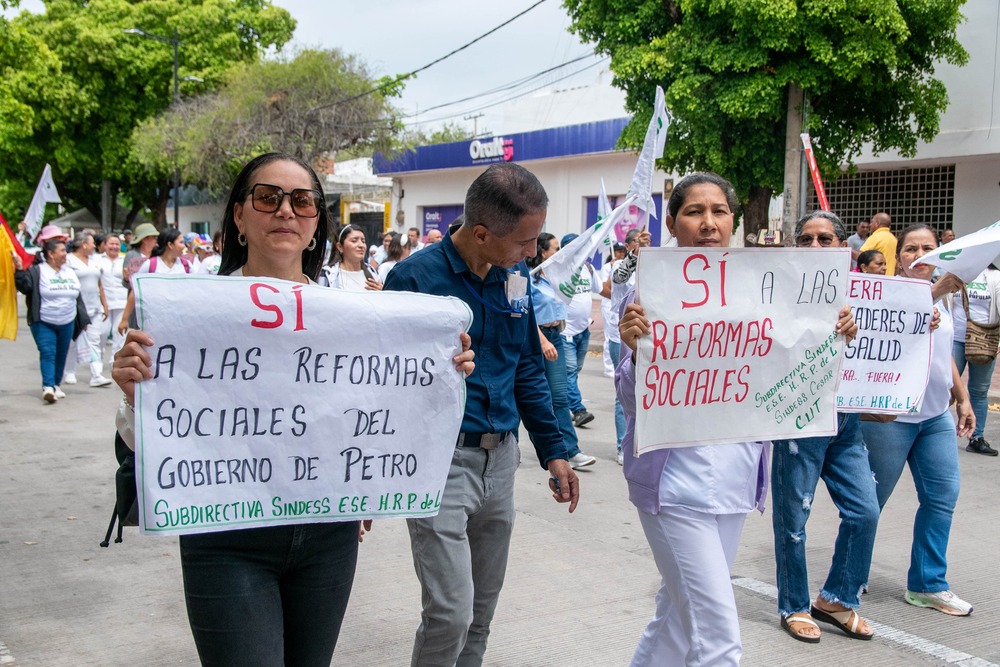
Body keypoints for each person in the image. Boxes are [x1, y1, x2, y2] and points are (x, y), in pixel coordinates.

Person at [112, 151, 475, 665]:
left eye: (302, 201)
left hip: (328, 538)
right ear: (239, 216)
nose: (286, 211)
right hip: (225, 538)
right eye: (268, 197)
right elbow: (143, 438)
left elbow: (383, 410)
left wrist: (443, 371)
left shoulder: (361, 319)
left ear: (316, 224)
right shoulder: (189, 316)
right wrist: (134, 393)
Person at [617, 174, 857, 665]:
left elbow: (792, 374)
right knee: (719, 639)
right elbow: (630, 400)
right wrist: (633, 354)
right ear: (672, 222)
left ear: (733, 219)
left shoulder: (767, 292)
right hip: (674, 492)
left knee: (677, 620)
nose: (708, 223)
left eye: (719, 211)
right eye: (694, 212)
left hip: (732, 488)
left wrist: (834, 337)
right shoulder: (646, 295)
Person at [382, 162, 580, 667]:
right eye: (524, 242)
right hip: (440, 465)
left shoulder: (514, 277)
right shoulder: (414, 278)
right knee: (451, 612)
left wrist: (554, 452)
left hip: (501, 463)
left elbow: (528, 370)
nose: (533, 253)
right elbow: (383, 382)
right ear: (481, 233)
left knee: (482, 611)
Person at [771, 211, 878, 644]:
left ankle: (836, 597)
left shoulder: (867, 293)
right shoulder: (777, 291)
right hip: (799, 416)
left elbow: (896, 335)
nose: (816, 247)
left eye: (826, 239)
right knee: (794, 518)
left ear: (843, 248)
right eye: (807, 239)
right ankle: (794, 604)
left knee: (865, 510)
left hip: (845, 418)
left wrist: (922, 324)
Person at [861, 223, 975, 616]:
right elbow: (885, 339)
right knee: (868, 503)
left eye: (928, 248)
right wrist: (937, 292)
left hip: (935, 417)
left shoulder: (941, 299)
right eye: (911, 249)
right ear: (898, 256)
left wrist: (961, 399)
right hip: (890, 417)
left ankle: (928, 583)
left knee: (942, 496)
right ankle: (849, 578)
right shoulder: (889, 294)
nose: (920, 255)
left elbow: (942, 356)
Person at [526, 233, 597, 470]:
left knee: (558, 397)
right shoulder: (528, 277)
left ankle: (570, 451)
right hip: (535, 340)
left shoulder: (557, 275)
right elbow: (522, 310)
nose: (560, 252)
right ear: (542, 252)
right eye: (556, 248)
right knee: (526, 396)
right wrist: (543, 340)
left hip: (556, 336)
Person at [12, 238, 88, 403]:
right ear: (51, 254)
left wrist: (84, 319)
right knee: (48, 352)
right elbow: (25, 287)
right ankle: (47, 387)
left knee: (62, 353)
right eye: (61, 251)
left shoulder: (69, 272)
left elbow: (77, 296)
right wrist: (19, 270)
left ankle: (56, 384)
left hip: (67, 320)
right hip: (44, 321)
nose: (65, 254)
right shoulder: (37, 271)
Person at [952, 265, 1000, 456]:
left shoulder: (995, 276)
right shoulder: (956, 271)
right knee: (945, 387)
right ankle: (936, 432)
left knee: (979, 391)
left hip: (985, 341)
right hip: (954, 339)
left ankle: (976, 437)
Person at [557, 232, 601, 429]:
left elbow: (600, 289)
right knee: (570, 372)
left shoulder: (588, 268)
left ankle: (558, 401)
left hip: (584, 330)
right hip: (565, 333)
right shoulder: (559, 270)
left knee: (574, 373)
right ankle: (578, 410)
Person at [117, 228, 191, 336]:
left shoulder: (187, 266)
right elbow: (136, 292)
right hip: (155, 320)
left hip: (180, 320)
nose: (184, 246)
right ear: (170, 245)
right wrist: (124, 319)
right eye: (180, 242)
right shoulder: (151, 265)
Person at [63, 232, 112, 387]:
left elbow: (100, 284)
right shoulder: (69, 260)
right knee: (73, 340)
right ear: (83, 244)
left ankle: (96, 375)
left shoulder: (95, 260)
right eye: (91, 243)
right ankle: (69, 371)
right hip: (75, 308)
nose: (94, 246)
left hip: (95, 307)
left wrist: (104, 304)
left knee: (95, 341)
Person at [319, 224, 381, 291]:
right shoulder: (328, 275)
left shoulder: (372, 272)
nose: (361, 245)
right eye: (354, 241)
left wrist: (381, 292)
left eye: (363, 241)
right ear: (340, 247)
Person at [95, 234, 127, 358]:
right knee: (102, 332)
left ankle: (115, 360)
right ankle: (98, 360)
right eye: (111, 244)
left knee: (118, 333)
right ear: (105, 245)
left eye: (117, 244)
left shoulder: (124, 259)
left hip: (121, 300)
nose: (114, 247)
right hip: (104, 302)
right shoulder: (97, 259)